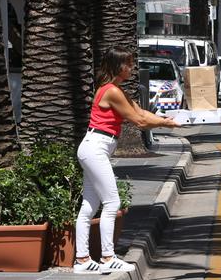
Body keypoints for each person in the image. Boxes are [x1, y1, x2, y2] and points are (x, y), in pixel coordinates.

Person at [74, 47, 180, 274]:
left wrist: (165, 120)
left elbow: (140, 112)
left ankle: (82, 260)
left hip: (93, 147)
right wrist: (167, 124)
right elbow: (139, 122)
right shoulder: (111, 91)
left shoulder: (114, 90)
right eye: (128, 64)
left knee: (89, 206)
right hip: (96, 148)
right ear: (118, 66)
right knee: (112, 203)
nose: (131, 68)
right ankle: (107, 257)